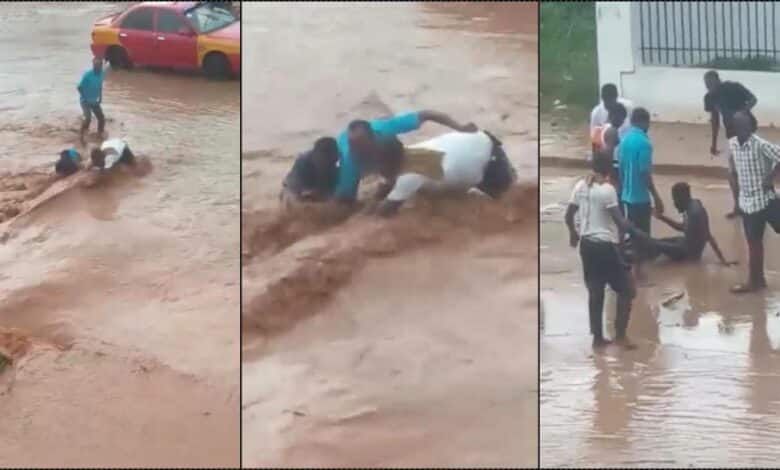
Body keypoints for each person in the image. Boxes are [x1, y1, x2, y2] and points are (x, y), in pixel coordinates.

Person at [565, 151, 641, 350]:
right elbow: (618, 221)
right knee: (627, 290)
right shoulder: (607, 190)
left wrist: (574, 233)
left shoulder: (581, 185)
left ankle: (597, 339)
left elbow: (568, 214)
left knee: (595, 291)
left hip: (586, 245)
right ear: (610, 168)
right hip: (605, 246)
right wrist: (634, 229)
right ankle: (621, 336)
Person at [332, 110, 477, 203]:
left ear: (373, 137)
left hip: (389, 159)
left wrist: (460, 127)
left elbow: (426, 115)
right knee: (346, 199)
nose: (357, 150)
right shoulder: (349, 162)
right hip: (352, 165)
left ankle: (389, 182)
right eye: (354, 147)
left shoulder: (384, 129)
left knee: (396, 181)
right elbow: (344, 201)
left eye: (361, 146)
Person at [371, 130, 515, 216]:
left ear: (390, 163)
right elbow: (384, 187)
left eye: (378, 165)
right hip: (475, 142)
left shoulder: (410, 176)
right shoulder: (404, 154)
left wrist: (363, 215)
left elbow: (384, 212)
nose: (375, 169)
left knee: (511, 204)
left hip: (489, 161)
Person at [727, 111, 780, 293]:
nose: (741, 128)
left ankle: (756, 281)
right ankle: (756, 281)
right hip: (748, 204)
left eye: (745, 124)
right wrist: (736, 200)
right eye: (737, 124)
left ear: (751, 126)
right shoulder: (732, 144)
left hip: (767, 200)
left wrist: (771, 177)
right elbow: (732, 169)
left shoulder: (760, 145)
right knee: (753, 243)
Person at [703, 70, 757, 218]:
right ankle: (738, 206)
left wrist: (742, 112)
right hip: (731, 136)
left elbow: (753, 99)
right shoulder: (710, 98)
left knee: (750, 170)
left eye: (710, 84)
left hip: (748, 132)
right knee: (733, 173)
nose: (708, 87)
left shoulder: (733, 87)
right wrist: (713, 143)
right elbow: (714, 119)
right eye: (706, 85)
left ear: (718, 80)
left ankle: (755, 206)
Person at [618, 107, 664, 279]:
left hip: (626, 195)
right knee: (642, 236)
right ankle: (639, 274)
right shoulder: (645, 143)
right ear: (645, 122)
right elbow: (645, 173)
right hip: (640, 198)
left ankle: (625, 267)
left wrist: (622, 190)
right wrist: (656, 197)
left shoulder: (624, 140)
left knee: (629, 231)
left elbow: (621, 168)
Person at [648, 182, 735, 265]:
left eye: (675, 199)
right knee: (657, 242)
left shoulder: (695, 214)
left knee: (654, 244)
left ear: (682, 198)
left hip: (688, 253)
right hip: (686, 243)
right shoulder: (693, 206)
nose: (674, 203)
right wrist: (722, 259)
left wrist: (662, 217)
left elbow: (707, 235)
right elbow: (706, 234)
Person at [280, 137, 339, 205]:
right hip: (294, 189)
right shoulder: (303, 162)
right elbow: (294, 188)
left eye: (329, 158)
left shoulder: (337, 162)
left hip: (321, 191)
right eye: (322, 157)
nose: (325, 161)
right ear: (314, 154)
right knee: (294, 200)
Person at [78, 57, 106, 145]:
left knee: (101, 118)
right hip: (85, 101)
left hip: (94, 101)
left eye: (98, 65)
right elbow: (79, 87)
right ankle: (81, 135)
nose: (96, 67)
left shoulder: (102, 74)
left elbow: (100, 85)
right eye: (94, 65)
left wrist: (100, 97)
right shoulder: (87, 75)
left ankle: (99, 134)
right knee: (88, 118)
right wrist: (85, 97)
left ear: (101, 66)